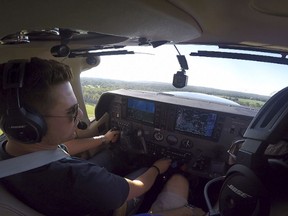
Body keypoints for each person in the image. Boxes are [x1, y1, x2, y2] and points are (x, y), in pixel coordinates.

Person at [0, 57, 205, 216]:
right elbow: (137, 187)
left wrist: (103, 139)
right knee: (173, 178)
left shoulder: (8, 146)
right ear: (32, 125)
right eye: (71, 111)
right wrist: (157, 168)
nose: (80, 115)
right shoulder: (77, 178)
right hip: (109, 207)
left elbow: (60, 150)